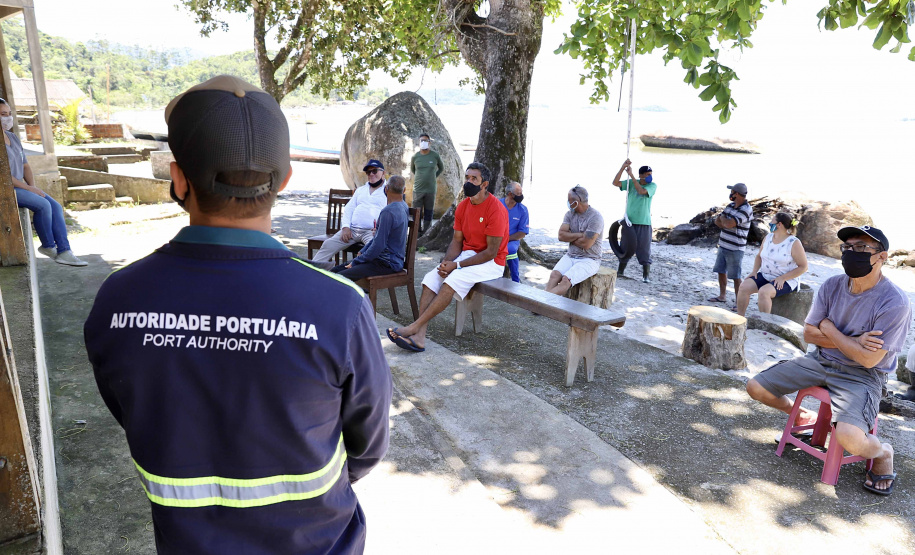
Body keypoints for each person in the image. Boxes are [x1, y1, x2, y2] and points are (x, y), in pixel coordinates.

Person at [84, 76, 393, 553]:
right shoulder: (340, 305)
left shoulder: (117, 300)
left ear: (178, 178)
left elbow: (133, 412)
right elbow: (366, 447)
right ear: (286, 179)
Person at [746, 225, 910, 496]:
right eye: (847, 247)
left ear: (882, 257)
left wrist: (830, 328)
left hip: (861, 375)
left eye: (861, 248)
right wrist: (855, 341)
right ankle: (800, 416)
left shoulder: (895, 302)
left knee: (847, 438)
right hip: (820, 360)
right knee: (755, 387)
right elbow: (809, 334)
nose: (850, 253)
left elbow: (868, 360)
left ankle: (882, 452)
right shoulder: (833, 285)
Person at [386, 162, 508, 352]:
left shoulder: (496, 209)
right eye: (467, 177)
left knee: (453, 279)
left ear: (484, 184)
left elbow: (491, 252)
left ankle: (414, 327)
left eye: (474, 178)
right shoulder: (463, 207)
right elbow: (457, 242)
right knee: (430, 278)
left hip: (492, 262)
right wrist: (446, 263)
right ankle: (419, 336)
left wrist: (456, 266)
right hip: (469, 255)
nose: (469, 181)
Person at [2, 98, 86, 266]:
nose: (8, 118)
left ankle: (64, 251)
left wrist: (32, 187)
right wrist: (28, 188)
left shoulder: (13, 137)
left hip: (22, 186)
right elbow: (3, 175)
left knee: (55, 206)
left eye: (9, 114)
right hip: (6, 188)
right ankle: (48, 246)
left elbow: (25, 165)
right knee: (43, 205)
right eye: (3, 114)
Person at [332, 175, 409, 281]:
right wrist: (363, 251)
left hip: (386, 263)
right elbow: (379, 237)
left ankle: (356, 295)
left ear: (386, 189)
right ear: (404, 190)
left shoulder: (388, 212)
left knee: (338, 278)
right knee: (334, 271)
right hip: (388, 260)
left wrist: (358, 260)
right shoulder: (404, 206)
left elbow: (379, 244)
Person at [312, 159, 388, 262]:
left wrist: (380, 229)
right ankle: (314, 270)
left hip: (371, 232)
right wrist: (345, 227)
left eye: (374, 171)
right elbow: (349, 208)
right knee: (328, 244)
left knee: (374, 250)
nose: (371, 174)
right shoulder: (361, 190)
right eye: (368, 172)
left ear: (383, 172)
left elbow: (391, 213)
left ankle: (362, 275)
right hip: (352, 230)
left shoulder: (388, 191)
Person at [737, 212, 808, 316]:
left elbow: (803, 267)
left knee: (764, 292)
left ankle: (764, 324)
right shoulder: (768, 237)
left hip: (786, 280)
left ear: (779, 224)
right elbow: (759, 256)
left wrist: (782, 278)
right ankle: (740, 319)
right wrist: (754, 271)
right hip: (766, 275)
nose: (770, 223)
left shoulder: (793, 242)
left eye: (772, 221)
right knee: (743, 287)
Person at [546, 186, 604, 296]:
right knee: (554, 275)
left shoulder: (596, 217)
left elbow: (586, 244)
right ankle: (540, 304)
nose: (567, 202)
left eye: (569, 200)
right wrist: (580, 235)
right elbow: (561, 235)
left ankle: (541, 303)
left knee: (565, 280)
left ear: (577, 202)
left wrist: (570, 237)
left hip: (589, 259)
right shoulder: (569, 214)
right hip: (571, 255)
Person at [611, 159, 656, 283]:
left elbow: (641, 191)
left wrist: (631, 175)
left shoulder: (652, 186)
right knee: (625, 247)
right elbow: (615, 183)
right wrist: (622, 168)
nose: (650, 176)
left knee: (644, 250)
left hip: (644, 223)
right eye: (647, 174)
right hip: (629, 222)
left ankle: (646, 276)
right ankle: (620, 272)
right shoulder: (631, 183)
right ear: (641, 175)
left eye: (651, 174)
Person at [709, 183, 753, 303]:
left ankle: (739, 302)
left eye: (732, 192)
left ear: (737, 194)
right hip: (723, 244)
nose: (731, 194)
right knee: (721, 271)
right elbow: (718, 222)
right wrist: (725, 221)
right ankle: (722, 296)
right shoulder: (730, 205)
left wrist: (725, 220)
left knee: (735, 276)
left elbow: (727, 223)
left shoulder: (746, 210)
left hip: (735, 248)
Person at [410, 133, 444, 235]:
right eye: (421, 141)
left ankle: (426, 234)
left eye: (425, 140)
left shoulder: (435, 156)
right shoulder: (415, 157)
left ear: (429, 142)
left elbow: (441, 168)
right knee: (416, 213)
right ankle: (416, 234)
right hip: (418, 189)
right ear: (419, 142)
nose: (423, 142)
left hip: (430, 190)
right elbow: (413, 170)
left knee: (429, 213)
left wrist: (433, 176)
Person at [500, 180, 529, 283]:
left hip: (511, 240)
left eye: (521, 193)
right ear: (510, 194)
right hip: (495, 237)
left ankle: (515, 280)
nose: (521, 196)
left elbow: (522, 232)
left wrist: (506, 238)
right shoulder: (497, 204)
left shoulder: (523, 210)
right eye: (518, 194)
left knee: (511, 250)